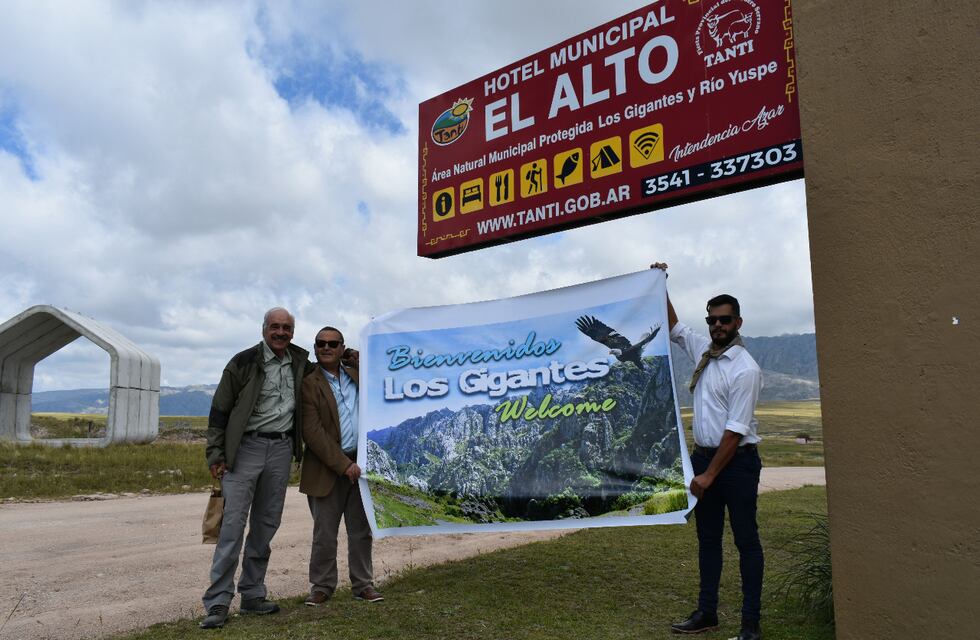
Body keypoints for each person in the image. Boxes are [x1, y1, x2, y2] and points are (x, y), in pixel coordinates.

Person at [651, 263, 764, 640]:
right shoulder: (705, 350)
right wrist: (659, 283)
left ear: (738, 322)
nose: (718, 325)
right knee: (708, 539)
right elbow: (674, 329)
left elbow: (735, 432)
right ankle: (707, 612)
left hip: (734, 465)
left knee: (746, 540)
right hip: (705, 459)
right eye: (712, 319)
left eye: (725, 319)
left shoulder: (744, 369)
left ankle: (750, 625)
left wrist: (709, 476)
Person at [199, 307, 312, 629]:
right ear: (264, 329)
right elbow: (219, 411)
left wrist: (353, 356)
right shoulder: (243, 362)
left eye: (286, 327)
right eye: (275, 327)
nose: (281, 332)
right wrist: (215, 455)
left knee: (265, 525)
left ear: (293, 331)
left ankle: (252, 595)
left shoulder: (300, 363)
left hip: (280, 449)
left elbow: (328, 375)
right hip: (244, 449)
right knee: (232, 527)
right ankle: (218, 602)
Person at [299, 326, 383, 606]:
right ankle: (322, 587)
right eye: (321, 343)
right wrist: (344, 464)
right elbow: (312, 433)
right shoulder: (309, 383)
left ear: (341, 347)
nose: (326, 348)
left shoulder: (356, 373)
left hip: (361, 464)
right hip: (328, 468)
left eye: (333, 344)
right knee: (325, 532)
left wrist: (356, 357)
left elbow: (381, 371)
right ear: (314, 348)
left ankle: (363, 585)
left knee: (360, 530)